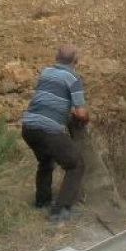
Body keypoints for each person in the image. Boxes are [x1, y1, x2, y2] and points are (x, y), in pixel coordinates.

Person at [20, 44, 89, 222]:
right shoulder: (73, 78)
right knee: (76, 164)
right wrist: (81, 117)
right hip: (48, 130)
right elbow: (80, 113)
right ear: (76, 61)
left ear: (56, 58)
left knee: (45, 161)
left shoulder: (45, 72)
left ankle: (42, 202)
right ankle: (60, 210)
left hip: (28, 128)